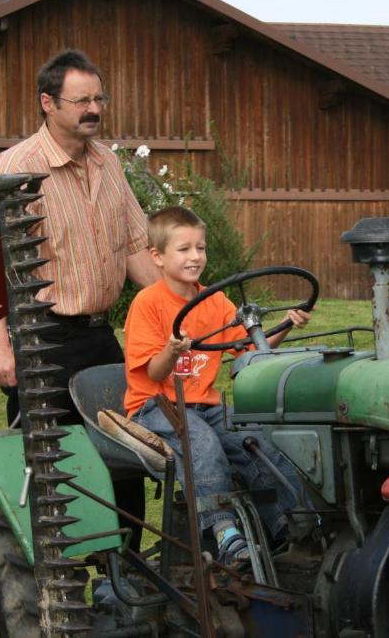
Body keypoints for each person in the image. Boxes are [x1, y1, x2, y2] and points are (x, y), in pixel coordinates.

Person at [123, 206, 311, 566]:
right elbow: (154, 373)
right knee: (204, 445)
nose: (195, 257)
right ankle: (224, 532)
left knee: (254, 441)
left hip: (204, 405)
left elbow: (254, 347)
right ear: (157, 257)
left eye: (201, 248)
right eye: (184, 249)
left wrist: (287, 323)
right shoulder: (148, 303)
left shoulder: (215, 300)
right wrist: (171, 350)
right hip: (155, 406)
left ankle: (291, 527)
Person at [0, 49, 160, 426]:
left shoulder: (108, 163)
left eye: (99, 99)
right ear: (48, 102)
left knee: (124, 461)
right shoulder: (16, 168)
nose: (93, 109)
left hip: (102, 337)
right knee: (59, 470)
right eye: (81, 101)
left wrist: (186, 309)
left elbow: (134, 248)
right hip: (44, 341)